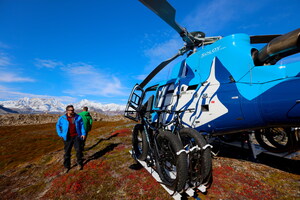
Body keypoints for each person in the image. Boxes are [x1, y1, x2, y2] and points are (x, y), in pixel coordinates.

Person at [56, 105, 86, 172]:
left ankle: (79, 164)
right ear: (67, 111)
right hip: (67, 137)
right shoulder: (62, 118)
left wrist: (83, 133)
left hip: (77, 136)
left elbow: (82, 125)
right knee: (67, 152)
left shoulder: (78, 117)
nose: (72, 111)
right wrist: (60, 134)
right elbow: (58, 126)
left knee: (78, 150)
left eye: (72, 110)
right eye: (70, 110)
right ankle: (67, 166)